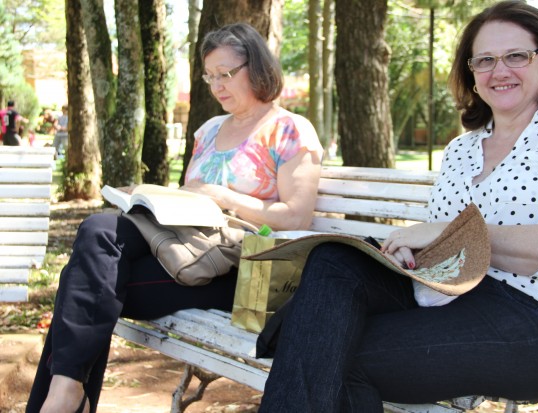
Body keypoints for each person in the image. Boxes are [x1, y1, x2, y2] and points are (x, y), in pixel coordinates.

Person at [258, 1, 538, 412]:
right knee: (333, 260)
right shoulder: (461, 150)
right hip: (447, 295)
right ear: (472, 73)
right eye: (485, 60)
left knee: (328, 352)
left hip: (537, 321)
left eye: (516, 55)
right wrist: (411, 250)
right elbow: (445, 252)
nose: (499, 71)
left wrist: (453, 232)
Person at [27, 22, 323, 413]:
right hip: (187, 253)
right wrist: (150, 197)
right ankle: (66, 394)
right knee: (97, 241)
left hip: (242, 269)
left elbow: (297, 216)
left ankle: (63, 398)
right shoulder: (209, 130)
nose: (216, 85)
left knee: (78, 285)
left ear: (257, 67)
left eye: (226, 74)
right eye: (210, 76)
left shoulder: (289, 129)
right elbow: (190, 204)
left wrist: (224, 196)